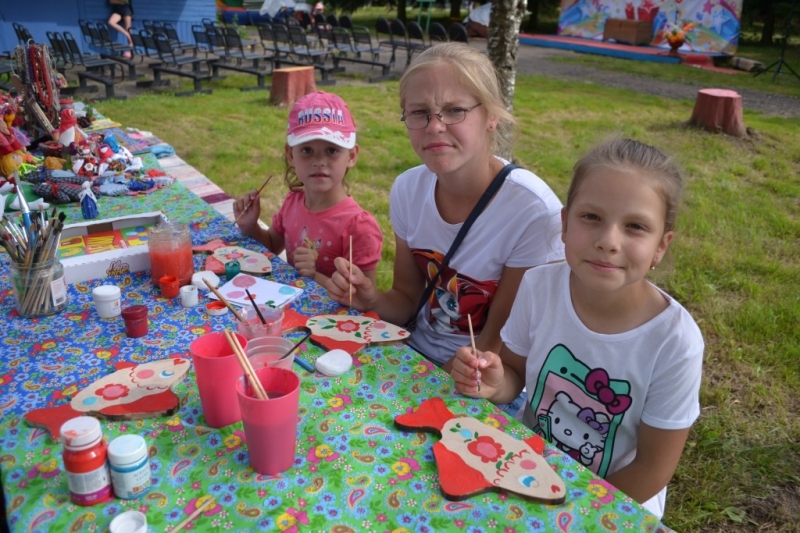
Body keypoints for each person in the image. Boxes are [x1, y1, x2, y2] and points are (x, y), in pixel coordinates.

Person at [450, 138, 704, 519]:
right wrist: (495, 383)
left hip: (615, 502)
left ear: (661, 246)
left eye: (635, 226)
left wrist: (572, 512)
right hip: (527, 467)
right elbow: (515, 377)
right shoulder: (538, 287)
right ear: (565, 223)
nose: (608, 242)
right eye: (591, 218)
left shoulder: (675, 342)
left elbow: (651, 469)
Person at [325, 43, 564, 377]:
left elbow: (497, 343)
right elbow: (408, 298)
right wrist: (370, 300)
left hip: (483, 381)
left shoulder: (533, 212)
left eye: (455, 111)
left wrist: (423, 385)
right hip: (416, 355)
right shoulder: (408, 189)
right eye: (420, 113)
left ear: (491, 116)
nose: (435, 126)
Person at [234, 91, 383, 288]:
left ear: (352, 155)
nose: (319, 161)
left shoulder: (358, 226)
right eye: (307, 150)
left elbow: (362, 299)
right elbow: (271, 244)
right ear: (290, 155)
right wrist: (250, 226)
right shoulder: (293, 202)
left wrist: (315, 276)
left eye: (332, 150)